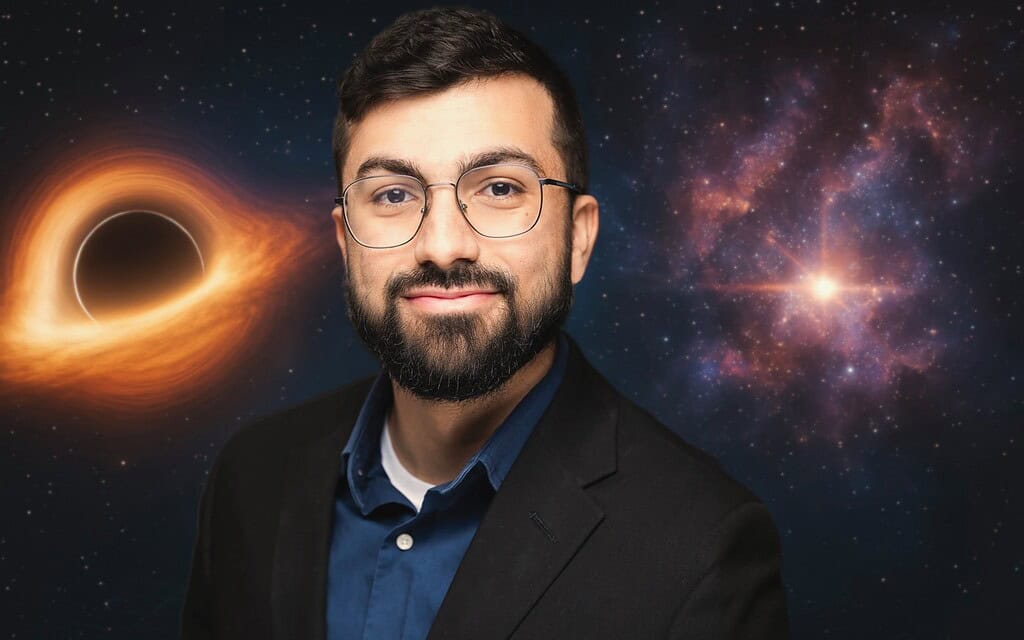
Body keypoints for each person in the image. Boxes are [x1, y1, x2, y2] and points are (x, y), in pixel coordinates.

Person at [181, 6, 789, 639]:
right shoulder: (250, 479)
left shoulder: (702, 547)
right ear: (345, 240)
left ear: (578, 239)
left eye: (499, 189)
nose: (444, 246)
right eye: (393, 194)